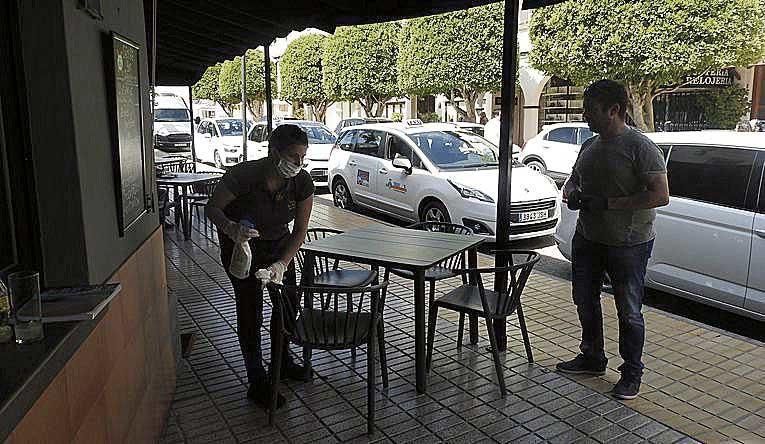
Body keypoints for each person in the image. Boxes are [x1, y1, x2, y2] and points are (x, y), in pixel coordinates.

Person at [557, 80, 669, 400]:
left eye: (590, 109)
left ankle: (632, 372)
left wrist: (606, 204)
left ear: (614, 110)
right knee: (584, 299)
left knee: (629, 311)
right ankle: (592, 357)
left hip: (629, 244)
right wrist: (573, 194)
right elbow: (572, 183)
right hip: (588, 238)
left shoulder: (641, 147)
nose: (584, 115)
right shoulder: (589, 146)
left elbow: (660, 196)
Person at [205, 124, 314, 408]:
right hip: (242, 247)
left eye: (303, 157)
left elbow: (300, 229)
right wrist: (230, 227)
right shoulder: (243, 175)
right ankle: (257, 379)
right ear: (273, 152)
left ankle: (283, 361)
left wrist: (282, 263)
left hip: (279, 246)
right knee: (251, 310)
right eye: (293, 156)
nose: (298, 164)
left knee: (287, 306)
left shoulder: (301, 182)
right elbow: (211, 208)